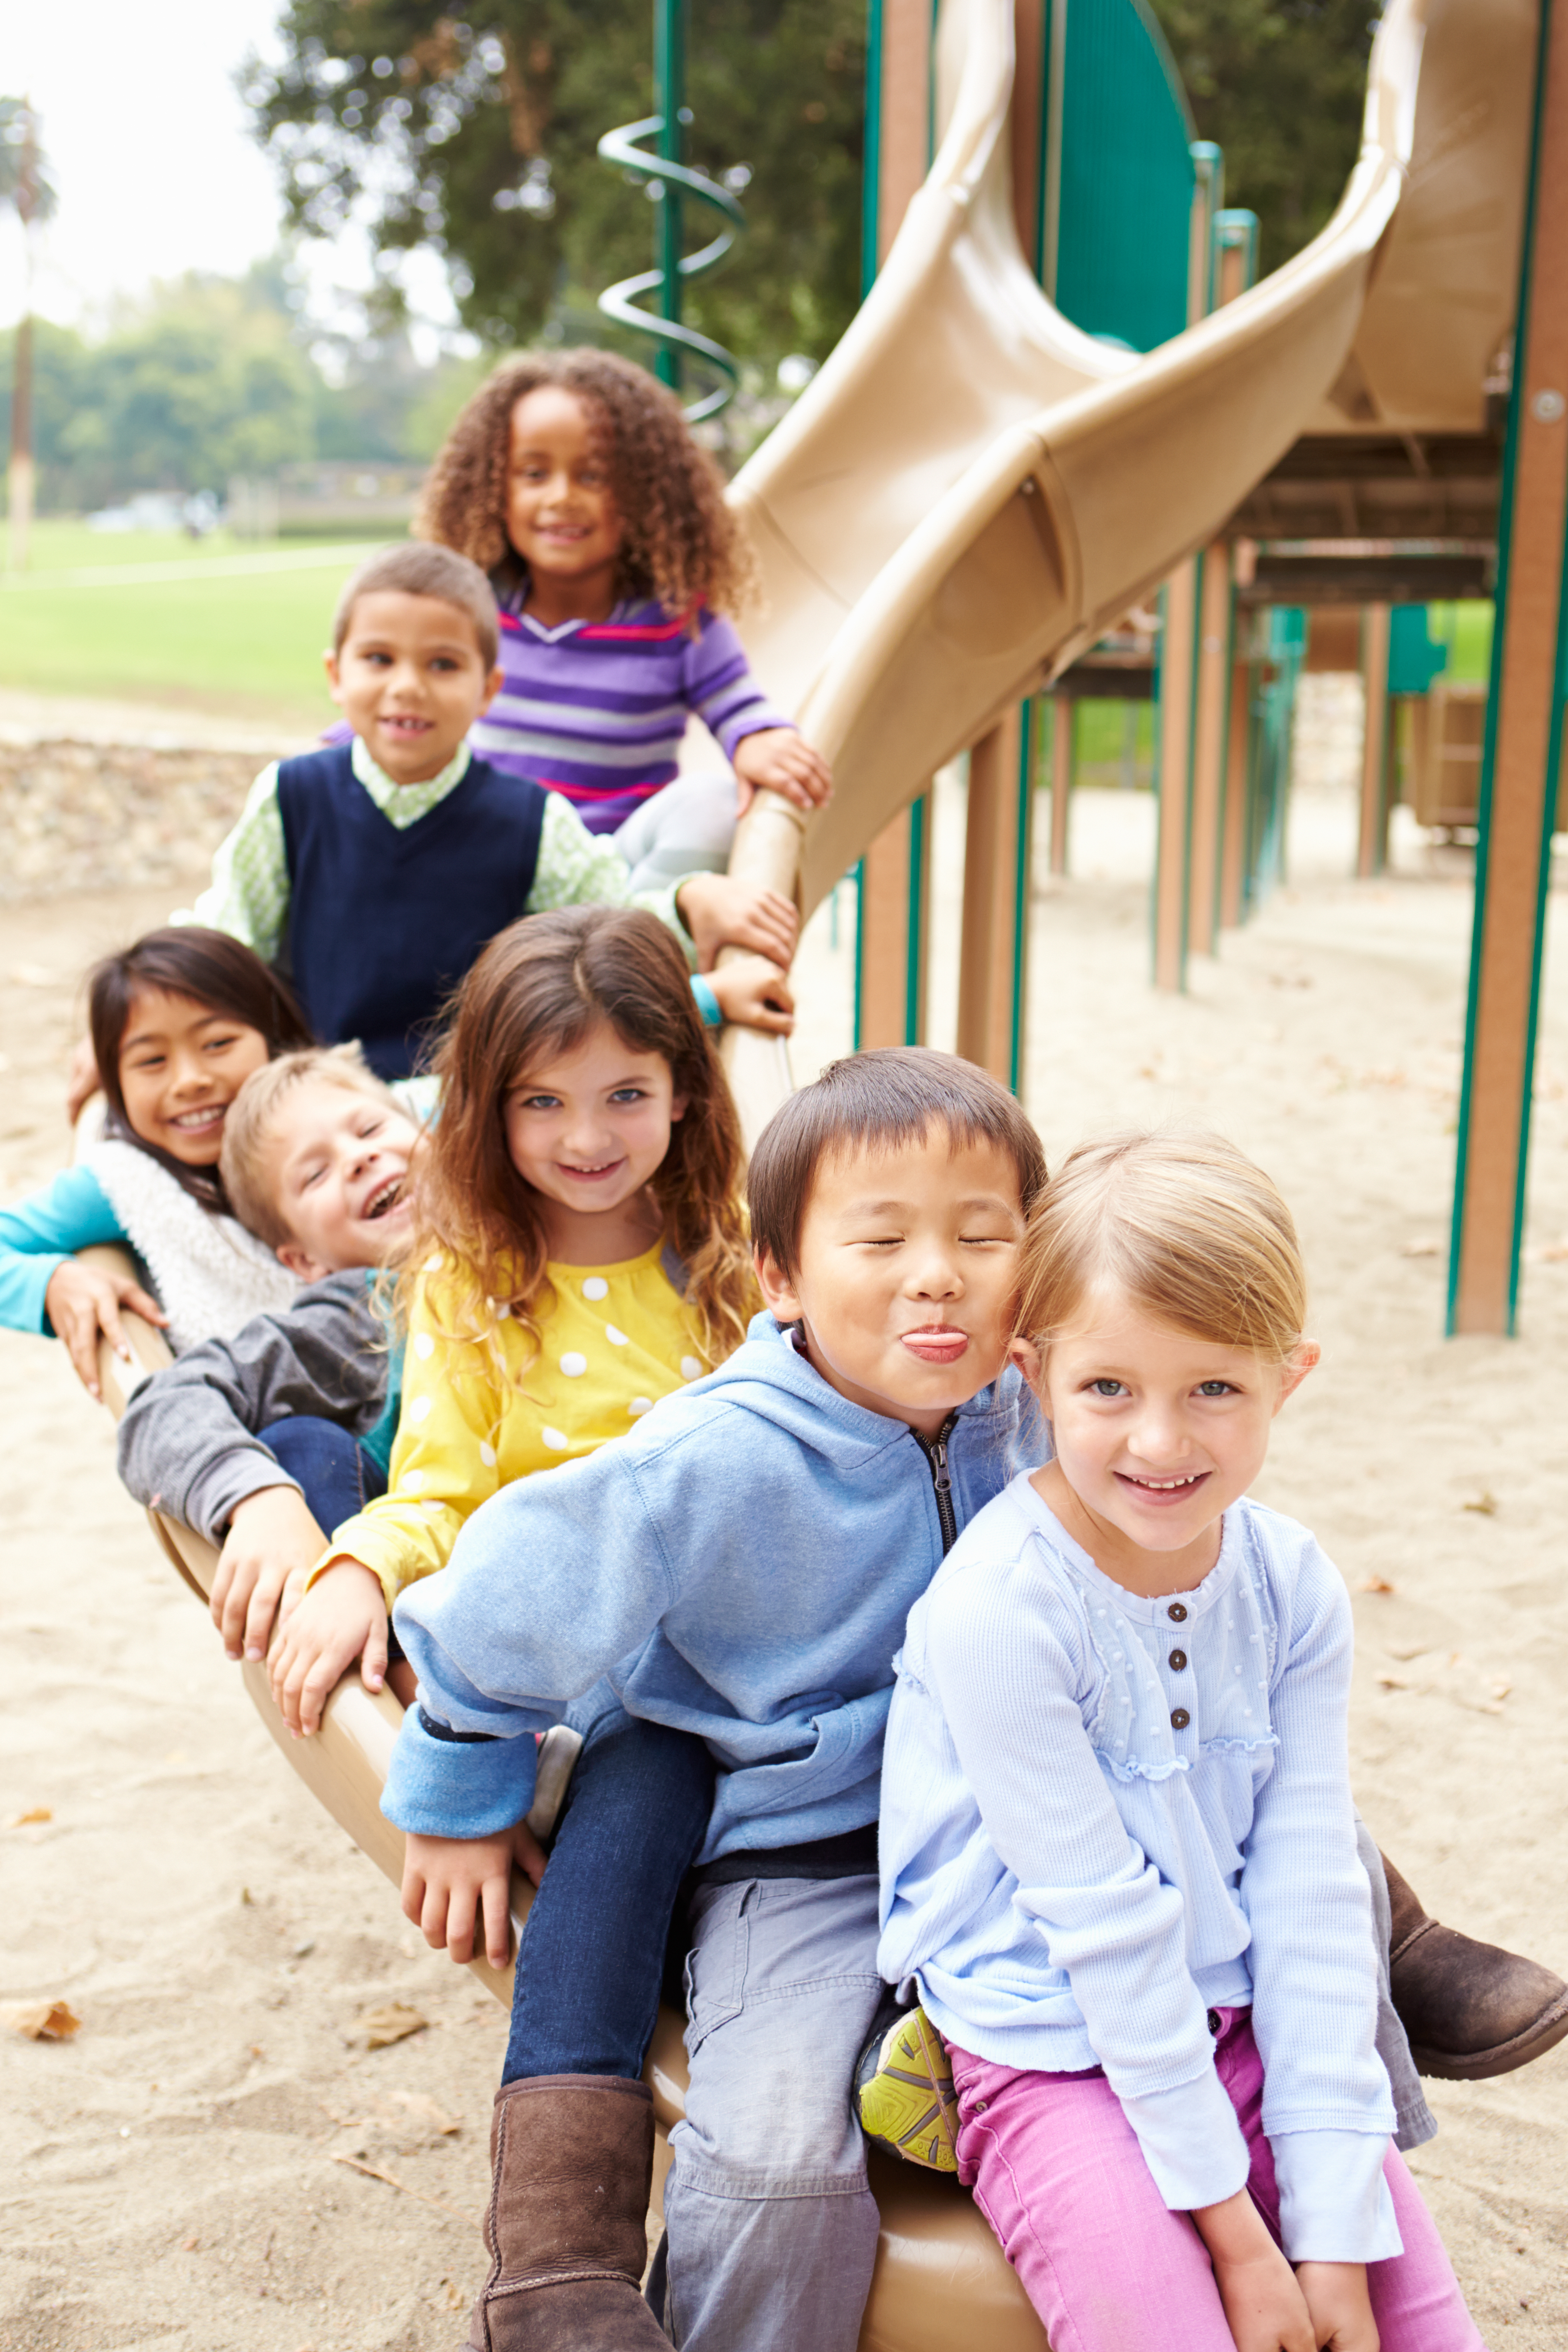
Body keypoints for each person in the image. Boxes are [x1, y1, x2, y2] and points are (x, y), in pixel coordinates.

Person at [877, 1132, 1486, 2352]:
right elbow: (1098, 1927)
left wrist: (1328, 2231)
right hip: (1044, 2045)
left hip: (1244, 2016)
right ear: (1036, 1376)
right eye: (1110, 1390)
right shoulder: (1002, 1606)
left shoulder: (1292, 1585)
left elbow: (1312, 1896)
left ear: (1288, 1378)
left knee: (1410, 2323)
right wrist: (1242, 2243)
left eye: (1214, 1389)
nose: (1160, 1443)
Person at [174, 540, 797, 1084]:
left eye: (442, 664)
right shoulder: (289, 797)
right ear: (337, 675)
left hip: (467, 1107)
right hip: (314, 1101)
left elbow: (612, 940)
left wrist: (689, 905)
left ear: (489, 689)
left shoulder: (532, 821)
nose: (408, 686)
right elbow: (229, 947)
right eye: (379, 659)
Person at [416, 347, 832, 883]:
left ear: (643, 493)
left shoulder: (677, 623)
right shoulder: (471, 609)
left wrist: (756, 737)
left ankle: (633, 952)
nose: (562, 497)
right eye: (534, 473)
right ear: (495, 487)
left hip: (613, 875)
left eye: (592, 477)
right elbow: (404, 688)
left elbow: (738, 705)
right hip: (494, 862)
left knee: (714, 805)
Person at [117, 1044, 425, 1677]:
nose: (359, 1156)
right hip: (437, 1591)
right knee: (298, 1444)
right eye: (315, 1175)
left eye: (369, 1129)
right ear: (304, 1262)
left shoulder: (555, 1228)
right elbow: (163, 1405)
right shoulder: (355, 1313)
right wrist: (259, 1497)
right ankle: (409, 1686)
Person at [1, 927, 312, 1394]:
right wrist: (52, 1282)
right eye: (151, 1062)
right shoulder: (127, 1183)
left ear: (274, 1037)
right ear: (114, 1082)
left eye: (217, 1044)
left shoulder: (337, 1131)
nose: (189, 1080)